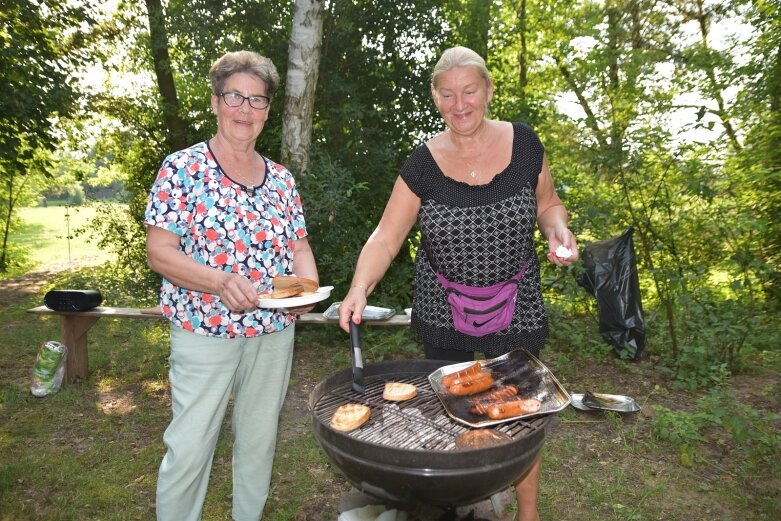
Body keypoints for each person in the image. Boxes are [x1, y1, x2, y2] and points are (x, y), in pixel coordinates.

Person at [337, 46, 578, 521]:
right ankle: (452, 503)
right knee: (446, 410)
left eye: (469, 90)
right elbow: (386, 236)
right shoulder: (422, 163)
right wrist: (359, 287)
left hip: (518, 303)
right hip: (443, 308)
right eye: (447, 94)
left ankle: (526, 513)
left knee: (522, 412)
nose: (459, 103)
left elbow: (548, 204)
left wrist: (557, 230)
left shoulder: (525, 144)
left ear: (488, 90)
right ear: (435, 98)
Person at [144, 50, 318, 521]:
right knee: (190, 444)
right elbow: (160, 253)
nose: (246, 109)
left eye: (257, 100)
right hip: (204, 332)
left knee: (259, 441)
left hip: (273, 333)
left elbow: (300, 248)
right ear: (217, 101)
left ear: (267, 110)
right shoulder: (182, 169)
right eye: (235, 97)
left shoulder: (281, 180)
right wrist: (219, 280)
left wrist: (307, 289)